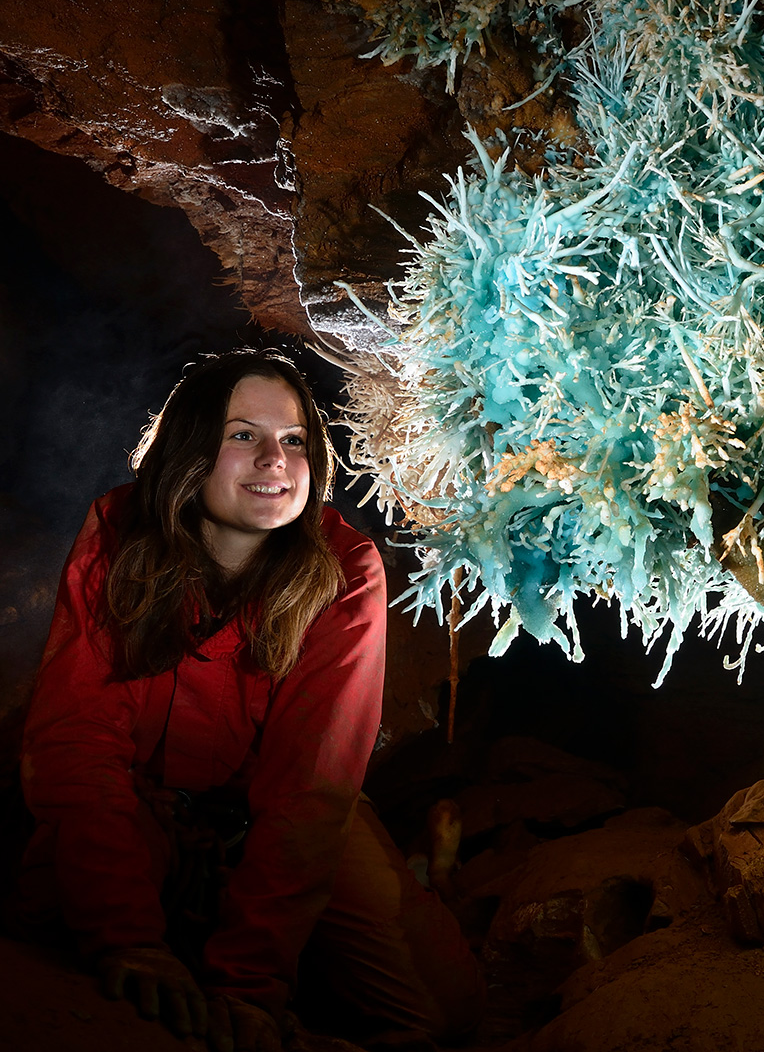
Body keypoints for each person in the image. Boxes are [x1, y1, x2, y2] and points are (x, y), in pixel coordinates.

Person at [17, 351, 481, 1050]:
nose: (275, 459)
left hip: (276, 816)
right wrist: (126, 937)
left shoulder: (344, 569)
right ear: (190, 448)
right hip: (137, 797)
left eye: (294, 440)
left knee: (442, 1012)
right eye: (242, 435)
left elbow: (312, 787)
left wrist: (250, 980)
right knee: (53, 928)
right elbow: (78, 739)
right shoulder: (120, 530)